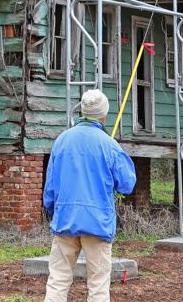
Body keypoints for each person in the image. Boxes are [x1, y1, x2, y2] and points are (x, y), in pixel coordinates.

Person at [42, 89, 136, 302]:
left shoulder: (61, 141)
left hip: (66, 220)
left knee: (57, 280)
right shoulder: (109, 145)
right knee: (98, 285)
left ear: (82, 112)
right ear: (103, 116)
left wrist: (54, 212)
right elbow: (127, 184)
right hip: (98, 224)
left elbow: (50, 190)